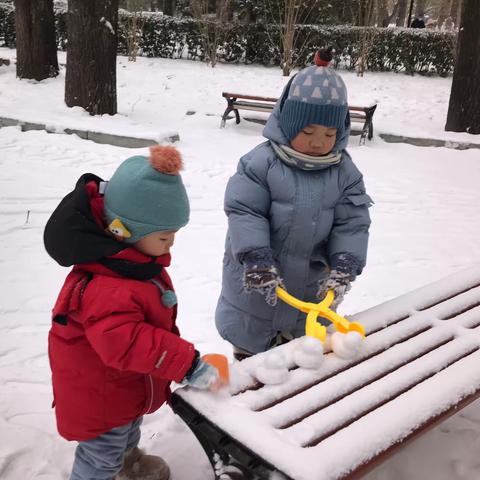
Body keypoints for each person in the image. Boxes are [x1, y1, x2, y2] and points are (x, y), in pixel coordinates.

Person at [44, 145, 220, 480]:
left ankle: (129, 466)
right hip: (100, 396)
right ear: (124, 231)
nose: (171, 244)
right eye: (165, 236)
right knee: (101, 457)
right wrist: (186, 362)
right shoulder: (106, 285)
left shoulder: (130, 264)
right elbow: (126, 342)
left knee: (126, 434)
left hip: (122, 388)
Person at [215, 65, 373, 361]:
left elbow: (352, 223)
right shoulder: (260, 164)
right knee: (252, 365)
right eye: (308, 131)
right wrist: (255, 255)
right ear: (288, 124)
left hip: (309, 291)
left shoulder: (345, 173)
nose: (318, 142)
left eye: (329, 133)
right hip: (257, 287)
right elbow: (245, 211)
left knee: (302, 362)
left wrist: (346, 260)